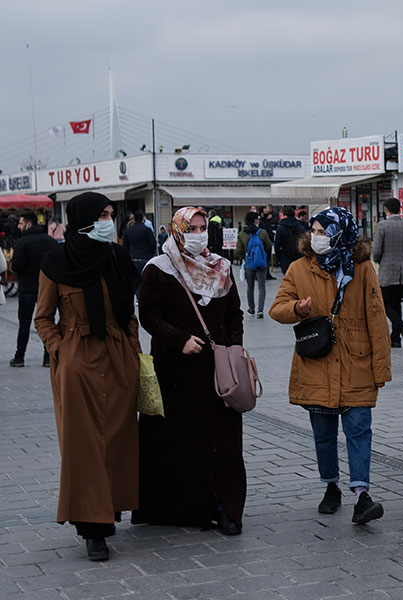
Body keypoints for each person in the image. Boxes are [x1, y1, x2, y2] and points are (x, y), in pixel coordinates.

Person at [34, 192, 140, 561]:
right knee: (85, 447)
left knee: (115, 440)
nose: (109, 221)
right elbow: (43, 318)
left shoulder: (116, 257)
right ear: (82, 219)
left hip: (118, 359)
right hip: (77, 362)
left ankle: (108, 511)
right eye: (102, 215)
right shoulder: (56, 262)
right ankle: (93, 529)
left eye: (111, 214)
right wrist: (62, 352)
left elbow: (128, 312)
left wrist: (133, 349)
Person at [269, 207, 390, 524]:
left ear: (341, 233)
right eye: (315, 231)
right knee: (323, 435)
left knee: (359, 431)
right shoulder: (299, 268)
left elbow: (377, 318)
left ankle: (361, 495)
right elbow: (277, 309)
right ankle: (331, 486)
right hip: (317, 363)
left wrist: (381, 368)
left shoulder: (363, 268)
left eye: (324, 232)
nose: (317, 237)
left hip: (356, 363)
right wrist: (298, 308)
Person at [134, 207, 245, 535]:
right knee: (181, 439)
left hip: (218, 370)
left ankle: (222, 505)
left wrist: (234, 349)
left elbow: (235, 314)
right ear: (176, 230)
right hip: (176, 370)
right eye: (191, 228)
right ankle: (182, 506)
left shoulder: (221, 267)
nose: (198, 234)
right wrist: (178, 339)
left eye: (201, 228)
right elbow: (149, 316)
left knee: (222, 439)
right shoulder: (159, 269)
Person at [9, 212, 58, 367]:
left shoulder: (22, 243)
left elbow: (16, 266)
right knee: (48, 321)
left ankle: (19, 357)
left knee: (24, 324)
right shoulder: (50, 241)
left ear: (28, 224)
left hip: (27, 288)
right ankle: (48, 357)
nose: (19, 226)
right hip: (47, 289)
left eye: (21, 223)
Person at [372, 198, 403, 348]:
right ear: (399, 209)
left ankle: (401, 327)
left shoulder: (382, 226)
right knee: (396, 303)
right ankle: (395, 338)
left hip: (388, 269)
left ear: (386, 209)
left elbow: (377, 250)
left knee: (384, 303)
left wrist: (377, 260)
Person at [236, 211, 272, 318]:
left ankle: (251, 309)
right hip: (261, 263)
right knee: (262, 287)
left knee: (250, 287)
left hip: (249, 263)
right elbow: (269, 245)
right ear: (255, 220)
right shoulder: (262, 232)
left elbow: (239, 250)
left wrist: (245, 258)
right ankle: (260, 310)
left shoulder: (242, 234)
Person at [121, 210, 156, 277]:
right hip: (145, 258)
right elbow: (152, 244)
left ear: (134, 219)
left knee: (135, 280)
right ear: (143, 218)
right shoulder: (147, 230)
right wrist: (151, 254)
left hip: (133, 258)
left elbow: (125, 246)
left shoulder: (128, 231)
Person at [275, 206, 307, 274]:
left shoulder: (281, 229)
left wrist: (279, 259)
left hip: (285, 258)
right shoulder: (301, 228)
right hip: (299, 258)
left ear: (285, 216)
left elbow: (277, 246)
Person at [261, 205, 279, 279]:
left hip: (268, 243)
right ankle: (265, 274)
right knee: (265, 259)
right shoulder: (262, 222)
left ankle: (267, 274)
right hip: (264, 243)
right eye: (265, 211)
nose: (267, 213)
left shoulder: (267, 221)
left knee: (267, 259)